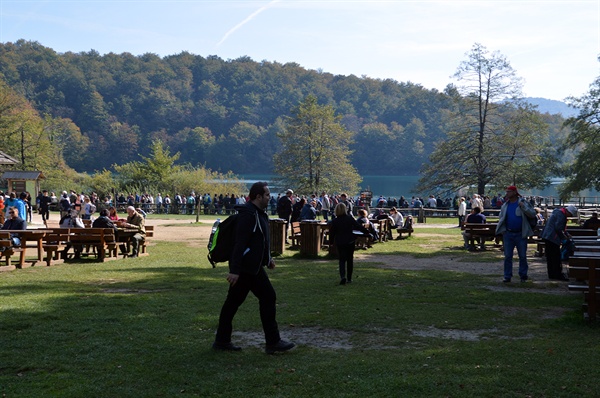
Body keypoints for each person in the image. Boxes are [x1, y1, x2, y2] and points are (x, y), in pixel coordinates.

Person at [213, 182, 295, 354]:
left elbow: (259, 240)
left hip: (253, 267)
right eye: (266, 195)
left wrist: (268, 259)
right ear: (258, 196)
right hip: (246, 269)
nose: (269, 197)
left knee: (232, 303)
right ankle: (272, 342)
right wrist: (234, 271)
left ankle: (222, 341)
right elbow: (239, 243)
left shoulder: (258, 213)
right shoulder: (248, 215)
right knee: (267, 297)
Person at [495, 186, 536, 283]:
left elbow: (532, 214)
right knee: (508, 256)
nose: (507, 193)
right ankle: (507, 276)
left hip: (520, 234)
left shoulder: (523, 202)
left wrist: (523, 207)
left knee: (522, 256)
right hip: (508, 234)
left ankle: (523, 275)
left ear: (514, 192)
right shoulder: (505, 205)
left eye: (509, 192)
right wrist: (503, 230)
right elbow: (502, 218)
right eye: (507, 192)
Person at [329, 203, 371, 285]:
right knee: (349, 260)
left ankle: (342, 277)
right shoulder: (350, 218)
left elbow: (332, 233)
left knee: (341, 260)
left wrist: (330, 242)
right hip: (350, 241)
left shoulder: (335, 221)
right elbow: (358, 226)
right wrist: (366, 231)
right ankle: (349, 278)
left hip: (340, 242)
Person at [541, 205, 578, 281]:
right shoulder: (561, 215)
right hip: (552, 238)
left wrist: (566, 234)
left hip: (547, 236)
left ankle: (552, 274)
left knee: (550, 257)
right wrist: (563, 237)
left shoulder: (557, 212)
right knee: (556, 257)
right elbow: (558, 228)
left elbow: (561, 228)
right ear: (568, 212)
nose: (570, 216)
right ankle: (557, 274)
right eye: (570, 215)